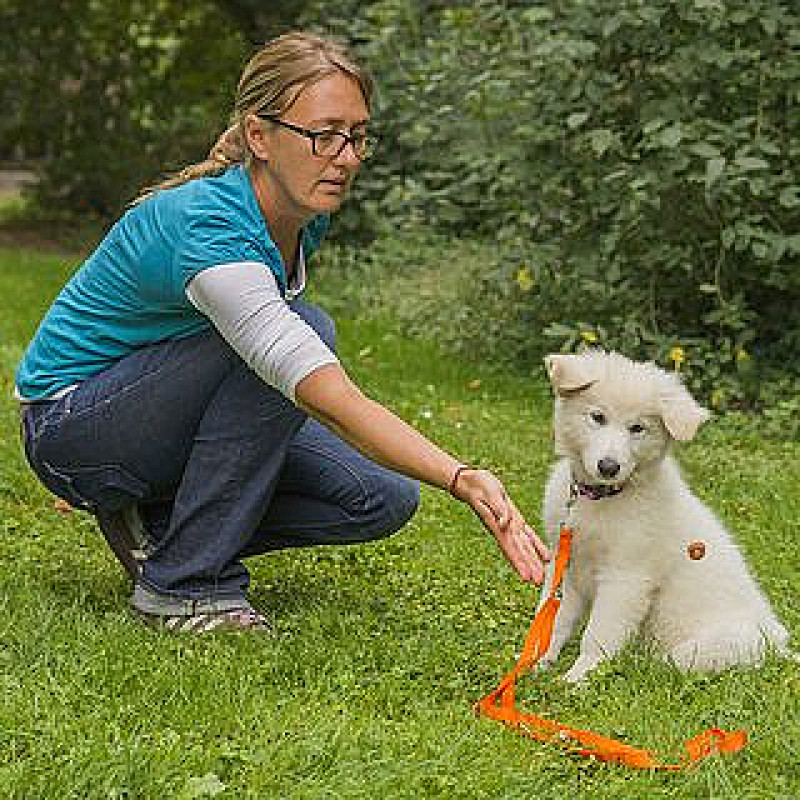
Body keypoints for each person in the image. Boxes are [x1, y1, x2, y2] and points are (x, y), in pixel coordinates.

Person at [15, 31, 549, 633]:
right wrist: (460, 475)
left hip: (146, 416)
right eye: (323, 135)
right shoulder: (213, 231)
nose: (344, 157)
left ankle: (158, 526)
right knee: (303, 331)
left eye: (356, 136)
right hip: (71, 429)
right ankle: (185, 586)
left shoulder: (299, 216)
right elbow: (316, 386)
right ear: (260, 136)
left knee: (380, 497)